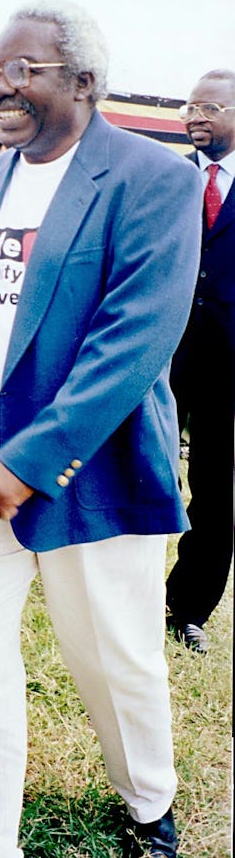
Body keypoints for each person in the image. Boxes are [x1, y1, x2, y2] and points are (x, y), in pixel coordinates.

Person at [0, 0, 203, 858]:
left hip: (91, 470)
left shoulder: (154, 179)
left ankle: (148, 802)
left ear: (84, 82)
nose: (0, 86)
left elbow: (134, 340)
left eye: (23, 69)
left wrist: (32, 461)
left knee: (113, 658)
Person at [165, 70, 235, 654]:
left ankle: (187, 607)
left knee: (217, 489)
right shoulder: (167, 179)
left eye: (210, 106)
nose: (195, 116)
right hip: (159, 352)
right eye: (190, 106)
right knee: (134, 465)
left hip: (230, 368)